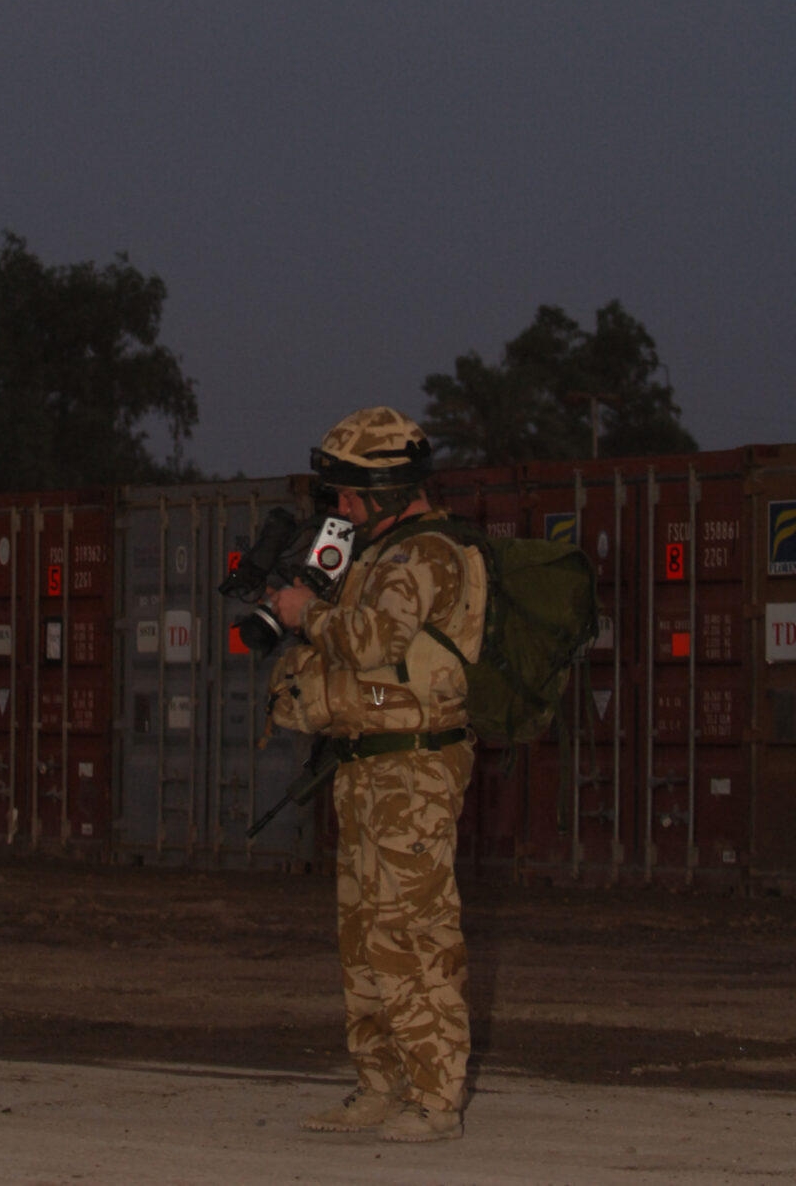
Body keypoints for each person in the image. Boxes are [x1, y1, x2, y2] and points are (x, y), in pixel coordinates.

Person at [266, 406, 485, 1144]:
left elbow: (371, 640)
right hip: (366, 768)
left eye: (352, 496)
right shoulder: (376, 554)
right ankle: (379, 1082)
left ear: (391, 490)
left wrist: (305, 615)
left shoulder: (428, 556)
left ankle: (436, 1096)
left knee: (418, 932)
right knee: (363, 933)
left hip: (415, 771)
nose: (342, 510)